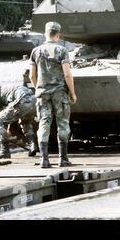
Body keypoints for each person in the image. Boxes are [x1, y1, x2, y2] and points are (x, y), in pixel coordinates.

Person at [29, 21, 77, 168]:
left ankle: (44, 159)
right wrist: (73, 93)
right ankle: (63, 159)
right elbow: (67, 74)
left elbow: (32, 76)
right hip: (60, 93)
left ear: (45, 33)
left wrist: (39, 88)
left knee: (44, 123)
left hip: (42, 93)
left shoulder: (36, 51)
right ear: (58, 35)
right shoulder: (61, 50)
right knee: (62, 124)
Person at [0, 85, 38, 159]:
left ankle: (4, 151)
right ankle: (32, 146)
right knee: (26, 122)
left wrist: (4, 131)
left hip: (22, 100)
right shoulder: (1, 90)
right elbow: (9, 115)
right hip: (33, 101)